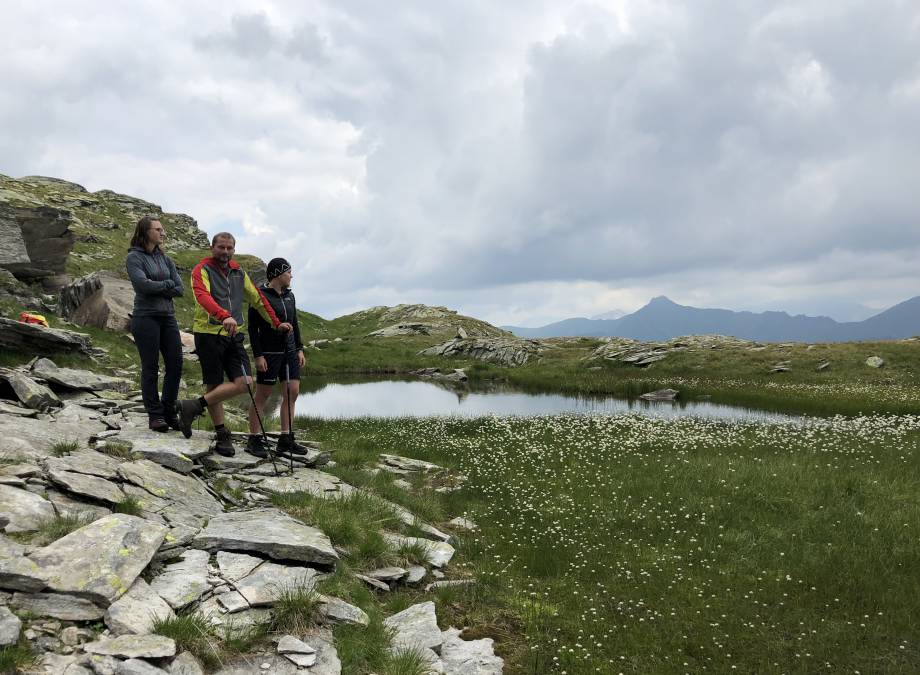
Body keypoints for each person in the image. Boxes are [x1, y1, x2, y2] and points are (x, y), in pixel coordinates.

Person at [175, 233, 292, 456]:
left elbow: (258, 299)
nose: (225, 252)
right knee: (214, 384)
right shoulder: (201, 269)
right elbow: (202, 296)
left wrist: (277, 324)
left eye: (230, 248)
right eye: (221, 247)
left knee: (246, 382)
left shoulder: (239, 272)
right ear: (212, 247)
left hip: (233, 334)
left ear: (234, 250)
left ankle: (193, 406)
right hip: (208, 333)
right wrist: (222, 315)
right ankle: (221, 434)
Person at [125, 216, 184, 432]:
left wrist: (160, 285)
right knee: (150, 367)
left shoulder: (165, 259)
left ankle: (169, 411)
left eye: (162, 229)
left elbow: (180, 289)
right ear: (146, 232)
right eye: (158, 229)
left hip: (168, 317)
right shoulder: (134, 258)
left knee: (176, 365)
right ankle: (155, 415)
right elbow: (142, 286)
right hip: (145, 317)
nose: (162, 233)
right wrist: (166, 284)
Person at [245, 258, 308, 458]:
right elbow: (252, 330)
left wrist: (299, 348)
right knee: (263, 394)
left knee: (292, 391)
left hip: (289, 351)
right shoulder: (260, 296)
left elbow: (294, 323)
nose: (291, 276)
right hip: (269, 353)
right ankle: (254, 439)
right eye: (289, 272)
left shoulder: (290, 296)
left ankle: (286, 439)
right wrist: (258, 355)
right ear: (278, 273)